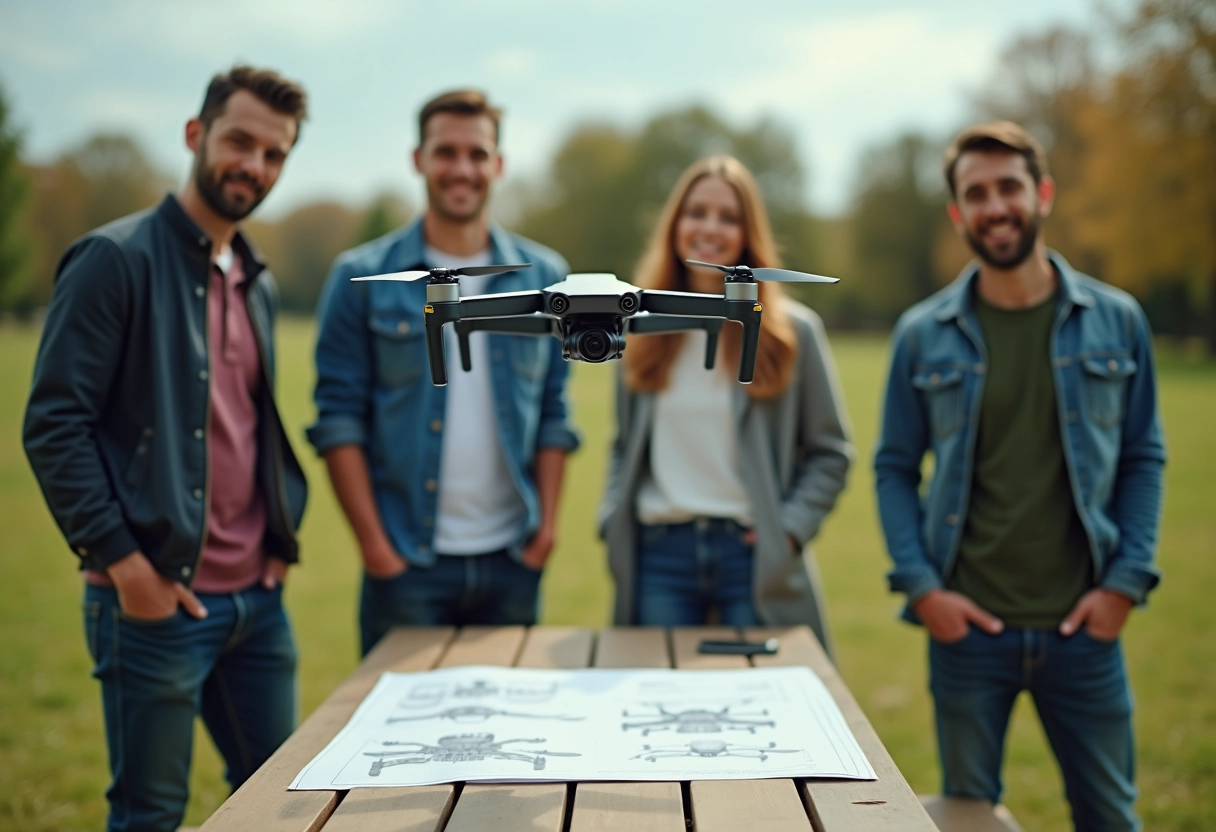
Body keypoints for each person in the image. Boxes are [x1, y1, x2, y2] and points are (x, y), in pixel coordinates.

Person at [23, 66, 310, 832]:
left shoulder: (256, 278)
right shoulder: (113, 260)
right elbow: (54, 423)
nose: (254, 165)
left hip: (259, 603)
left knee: (283, 808)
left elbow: (248, 424)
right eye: (240, 141)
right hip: (154, 603)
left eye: (274, 154)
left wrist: (278, 543)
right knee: (150, 816)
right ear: (196, 134)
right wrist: (126, 568)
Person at [874, 121, 1165, 831]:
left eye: (1009, 187)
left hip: (1084, 632)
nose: (995, 206)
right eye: (977, 193)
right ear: (958, 213)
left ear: (1042, 193)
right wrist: (925, 589)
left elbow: (1143, 457)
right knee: (969, 819)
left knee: (1111, 818)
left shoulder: (1118, 321)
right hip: (968, 634)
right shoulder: (923, 333)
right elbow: (893, 468)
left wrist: (1124, 586)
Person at [309, 89, 579, 655]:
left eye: (477, 154)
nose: (462, 168)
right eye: (446, 152)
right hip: (407, 563)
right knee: (398, 737)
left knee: (510, 733)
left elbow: (556, 412)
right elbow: (338, 422)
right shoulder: (362, 277)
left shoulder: (548, 276)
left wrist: (545, 534)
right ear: (419, 159)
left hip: (512, 558)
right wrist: (377, 550)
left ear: (498, 165)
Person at [598, 155, 853, 654]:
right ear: (675, 225)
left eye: (729, 217)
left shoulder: (791, 335)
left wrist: (790, 532)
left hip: (751, 557)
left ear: (747, 234)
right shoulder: (635, 331)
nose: (710, 228)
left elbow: (831, 452)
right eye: (697, 212)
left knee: (762, 711)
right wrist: (611, 519)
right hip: (659, 557)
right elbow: (622, 445)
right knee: (655, 705)